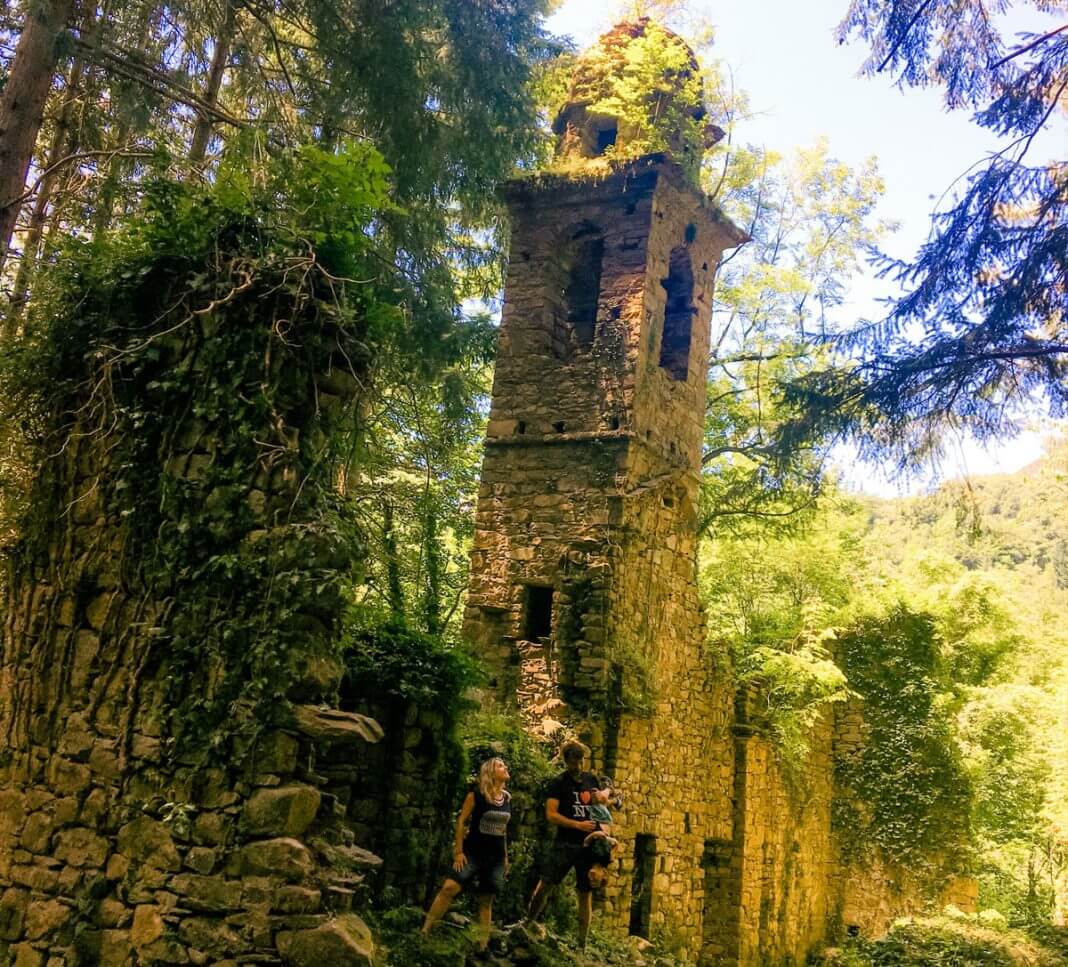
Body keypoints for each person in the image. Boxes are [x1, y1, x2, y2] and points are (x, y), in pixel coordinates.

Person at [421, 757, 511, 952]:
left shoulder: (507, 799)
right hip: (473, 852)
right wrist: (459, 851)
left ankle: (482, 944)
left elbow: (503, 830)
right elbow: (461, 821)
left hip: (495, 857)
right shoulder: (476, 795)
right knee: (449, 887)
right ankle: (425, 931)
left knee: (487, 899)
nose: (505, 768)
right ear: (490, 772)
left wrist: (505, 857)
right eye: (500, 765)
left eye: (504, 765)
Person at [525, 739, 600, 948]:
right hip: (565, 843)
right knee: (546, 883)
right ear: (566, 761)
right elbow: (551, 815)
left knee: (585, 894)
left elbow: (601, 808)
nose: (578, 766)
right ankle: (527, 922)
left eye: (581, 761)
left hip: (587, 846)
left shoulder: (591, 780)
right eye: (574, 762)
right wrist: (577, 825)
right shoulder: (558, 783)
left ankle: (582, 943)